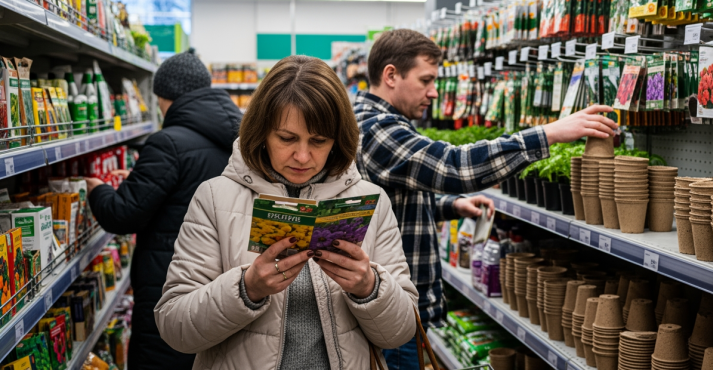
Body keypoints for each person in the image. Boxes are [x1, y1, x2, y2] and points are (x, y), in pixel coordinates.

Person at [355, 28, 618, 369]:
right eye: (426, 80)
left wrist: (450, 206)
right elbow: (456, 166)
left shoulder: (375, 121)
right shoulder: (378, 128)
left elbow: (385, 204)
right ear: (391, 75)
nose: (434, 92)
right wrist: (549, 133)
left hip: (390, 307)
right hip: (392, 315)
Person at [155, 56, 419, 369]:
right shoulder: (214, 198)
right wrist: (246, 288)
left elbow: (400, 333)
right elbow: (175, 328)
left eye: (319, 141)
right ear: (262, 132)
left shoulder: (371, 201)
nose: (303, 156)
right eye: (287, 138)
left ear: (337, 141)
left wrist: (370, 288)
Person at [85, 49, 242, 370]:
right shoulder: (242, 138)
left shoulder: (167, 143)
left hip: (170, 280)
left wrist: (97, 189)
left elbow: (123, 214)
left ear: (167, 97)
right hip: (224, 280)